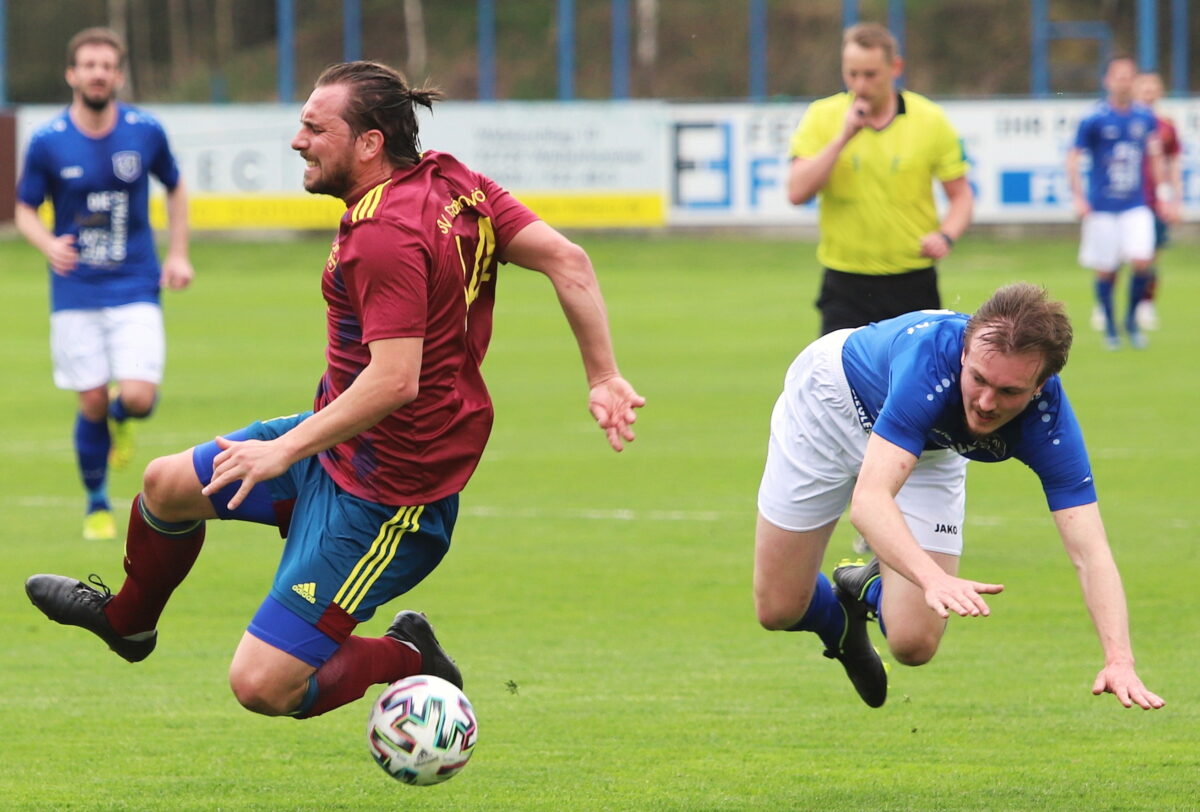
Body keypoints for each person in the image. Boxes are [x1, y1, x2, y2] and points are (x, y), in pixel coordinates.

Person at [25, 61, 645, 720]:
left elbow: (395, 379)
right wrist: (603, 376)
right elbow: (567, 259)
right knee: (165, 487)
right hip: (341, 442)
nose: (298, 141)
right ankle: (128, 624)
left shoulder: (384, 234)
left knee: (262, 686)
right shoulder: (450, 179)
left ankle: (410, 654)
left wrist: (284, 450)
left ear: (370, 142)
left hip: (388, 494)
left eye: (315, 129)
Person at [753, 282, 1164, 712]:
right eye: (979, 380)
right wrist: (932, 577)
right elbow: (870, 502)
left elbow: (1090, 550)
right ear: (965, 353)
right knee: (779, 608)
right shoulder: (927, 366)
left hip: (928, 446)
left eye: (1009, 392)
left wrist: (1120, 659)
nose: (987, 403)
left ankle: (872, 586)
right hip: (828, 406)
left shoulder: (1049, 425)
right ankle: (838, 624)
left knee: (914, 643)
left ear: (1042, 385)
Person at [15, 27, 194, 541]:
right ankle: (96, 502)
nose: (97, 72)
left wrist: (178, 253)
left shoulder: (145, 131)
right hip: (74, 289)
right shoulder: (48, 141)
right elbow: (24, 208)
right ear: (72, 74)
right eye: (88, 64)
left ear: (118, 74)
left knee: (137, 397)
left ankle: (122, 420)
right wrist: (47, 243)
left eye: (107, 65)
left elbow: (176, 187)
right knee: (89, 399)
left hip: (135, 282)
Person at [786, 22, 973, 336]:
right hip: (845, 284)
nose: (860, 84)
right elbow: (796, 192)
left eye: (870, 74)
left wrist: (946, 235)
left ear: (895, 68)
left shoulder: (929, 120)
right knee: (840, 384)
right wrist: (843, 138)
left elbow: (961, 196)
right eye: (851, 74)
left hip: (912, 281)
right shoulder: (823, 117)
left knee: (913, 384)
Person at [1066, 57, 1165, 351]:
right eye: (1118, 76)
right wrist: (1079, 196)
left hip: (1136, 203)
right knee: (1106, 269)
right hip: (1103, 208)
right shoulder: (1094, 118)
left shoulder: (1144, 118)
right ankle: (1110, 326)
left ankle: (1132, 321)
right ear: (1107, 80)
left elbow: (1156, 153)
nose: (1123, 82)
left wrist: (1162, 193)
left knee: (1142, 260)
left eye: (1128, 77)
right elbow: (1073, 157)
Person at [1130, 71, 1183, 331]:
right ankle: (1107, 306)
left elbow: (1173, 163)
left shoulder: (1166, 126)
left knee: (1151, 255)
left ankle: (1145, 304)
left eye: (1154, 86)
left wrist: (1175, 198)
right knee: (1121, 253)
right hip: (1128, 198)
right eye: (1144, 87)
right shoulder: (1126, 122)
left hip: (1155, 200)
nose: (1149, 91)